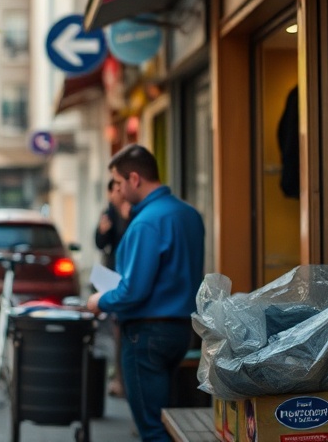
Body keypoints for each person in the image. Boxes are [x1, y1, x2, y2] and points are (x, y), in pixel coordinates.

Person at [87, 144, 204, 442]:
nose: (118, 191)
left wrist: (99, 301)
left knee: (152, 428)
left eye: (118, 182)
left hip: (146, 335)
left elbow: (133, 291)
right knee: (169, 421)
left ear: (135, 179)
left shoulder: (146, 223)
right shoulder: (189, 214)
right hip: (181, 331)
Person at [94, 178, 131, 397]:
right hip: (113, 276)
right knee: (116, 331)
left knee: (122, 331)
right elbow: (99, 242)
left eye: (117, 189)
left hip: (129, 276)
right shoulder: (108, 212)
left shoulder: (137, 212)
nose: (114, 195)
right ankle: (119, 378)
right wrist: (102, 230)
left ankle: (123, 380)